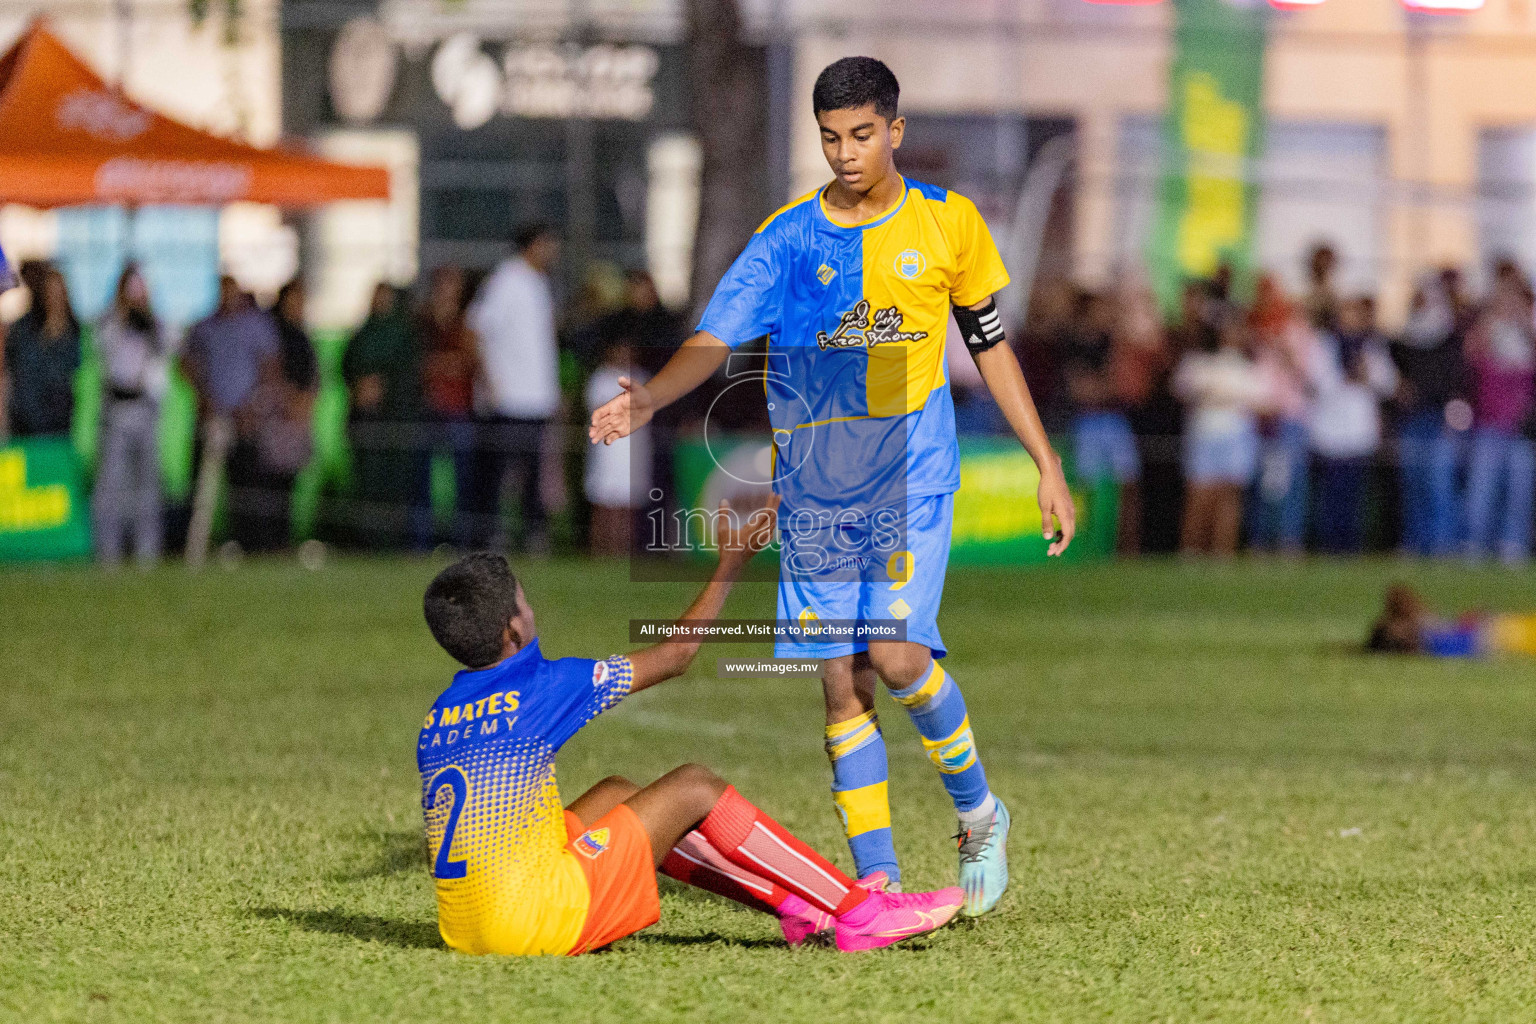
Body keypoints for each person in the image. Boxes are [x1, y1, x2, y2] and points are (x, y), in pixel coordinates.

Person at [591, 56, 1076, 915]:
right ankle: (878, 876)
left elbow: (992, 344)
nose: (845, 153)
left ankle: (979, 814)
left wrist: (1047, 462)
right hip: (816, 489)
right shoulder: (786, 239)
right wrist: (654, 397)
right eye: (829, 137)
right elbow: (713, 336)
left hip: (909, 480)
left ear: (894, 130)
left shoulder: (950, 226)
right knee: (839, 680)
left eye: (861, 135)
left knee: (892, 655)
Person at [416, 500, 965, 956]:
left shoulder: (438, 713)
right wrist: (732, 561)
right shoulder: (543, 684)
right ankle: (859, 912)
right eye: (524, 599)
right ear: (514, 629)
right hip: (534, 922)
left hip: (467, 930)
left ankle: (797, 908)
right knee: (694, 786)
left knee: (615, 795)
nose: (531, 606)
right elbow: (677, 654)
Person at [466, 223, 563, 555]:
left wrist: (553, 389)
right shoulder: (506, 280)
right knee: (497, 473)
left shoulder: (539, 283)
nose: (554, 251)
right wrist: (490, 382)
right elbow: (476, 328)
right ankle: (489, 536)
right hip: (508, 399)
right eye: (548, 244)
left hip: (535, 399)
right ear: (532, 245)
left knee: (534, 475)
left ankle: (533, 535)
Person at [182, 276, 281, 559]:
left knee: (248, 487)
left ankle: (251, 546)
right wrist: (204, 400)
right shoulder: (205, 327)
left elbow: (270, 367)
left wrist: (254, 407)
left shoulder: (255, 325)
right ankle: (197, 546)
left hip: (247, 418)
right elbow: (186, 363)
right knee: (204, 486)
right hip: (214, 418)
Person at [1173, 311, 1273, 557]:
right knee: (1200, 494)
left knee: (1230, 496)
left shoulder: (1247, 366)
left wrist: (1225, 397)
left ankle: (1222, 552)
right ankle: (1191, 550)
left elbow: (1263, 401)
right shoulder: (1199, 362)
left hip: (1236, 436)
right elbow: (1182, 389)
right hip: (1205, 433)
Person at [227, 279, 317, 552]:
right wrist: (288, 400)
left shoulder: (301, 336)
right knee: (265, 483)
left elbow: (312, 377)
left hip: (295, 421)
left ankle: (280, 540)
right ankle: (258, 542)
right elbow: (268, 372)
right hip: (274, 419)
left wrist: (304, 404)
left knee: (286, 485)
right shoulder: (272, 332)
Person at [93, 265, 168, 568]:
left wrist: (148, 320)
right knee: (112, 484)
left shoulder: (153, 324)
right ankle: (108, 551)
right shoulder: (111, 321)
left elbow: (163, 357)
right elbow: (105, 353)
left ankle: (147, 551)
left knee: (147, 484)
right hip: (117, 408)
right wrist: (123, 315)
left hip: (144, 409)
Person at [1309, 296, 1397, 555]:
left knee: (1354, 495)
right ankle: (1329, 545)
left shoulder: (1371, 347)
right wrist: (1346, 376)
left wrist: (1367, 376)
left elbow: (1388, 383)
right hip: (1330, 432)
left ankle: (1351, 546)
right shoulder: (1325, 344)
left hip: (1358, 433)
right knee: (1330, 496)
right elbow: (1317, 382)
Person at [1391, 271, 1467, 557]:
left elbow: (1454, 382)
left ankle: (1441, 544)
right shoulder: (1404, 339)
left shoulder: (1448, 338)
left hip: (1439, 419)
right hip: (1412, 419)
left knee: (1438, 484)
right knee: (1413, 485)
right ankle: (1414, 542)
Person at [1462, 272, 1536, 565]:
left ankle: (1512, 542)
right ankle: (1474, 543)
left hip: (1521, 428)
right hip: (1489, 423)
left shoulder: (1526, 336)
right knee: (1481, 489)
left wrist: (1524, 324)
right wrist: (1492, 320)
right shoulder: (1487, 331)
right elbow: (1471, 354)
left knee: (1519, 490)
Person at [342, 282, 421, 548]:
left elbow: (410, 375)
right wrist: (360, 387)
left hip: (395, 422)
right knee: (367, 482)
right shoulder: (362, 333)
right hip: (366, 422)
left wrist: (384, 387)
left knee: (394, 484)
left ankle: (393, 540)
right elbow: (347, 367)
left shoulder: (404, 334)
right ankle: (367, 540)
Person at [1248, 275, 1318, 556]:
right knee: (1266, 484)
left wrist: (1283, 350)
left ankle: (1289, 541)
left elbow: (1310, 379)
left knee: (1291, 484)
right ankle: (1261, 540)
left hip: (1290, 418)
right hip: (1264, 417)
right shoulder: (1257, 333)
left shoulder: (1299, 334)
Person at [418, 265, 481, 549]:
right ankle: (421, 542)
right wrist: (448, 364)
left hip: (458, 409)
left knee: (464, 480)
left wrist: (444, 365)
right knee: (422, 480)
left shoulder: (467, 321)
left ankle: (461, 542)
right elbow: (422, 364)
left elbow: (470, 362)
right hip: (430, 407)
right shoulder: (423, 321)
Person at [584, 339, 651, 556]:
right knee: (604, 501)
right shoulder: (601, 378)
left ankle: (625, 550)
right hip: (608, 449)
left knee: (628, 503)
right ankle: (601, 550)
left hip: (634, 450)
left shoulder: (641, 378)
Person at [3, 263, 81, 439]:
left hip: (63, 427)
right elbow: (13, 374)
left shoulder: (77, 334)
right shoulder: (23, 331)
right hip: (26, 426)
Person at [1366, 583, 1536, 658]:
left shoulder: (1431, 635)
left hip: (1501, 631)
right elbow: (1396, 594)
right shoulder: (1429, 638)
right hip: (1503, 633)